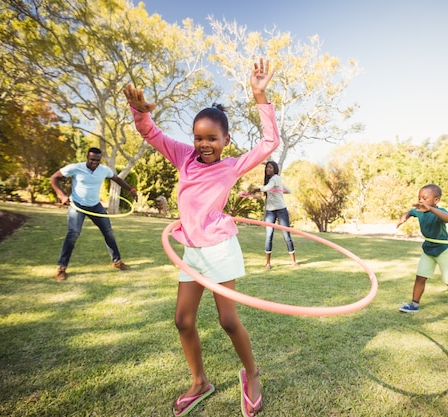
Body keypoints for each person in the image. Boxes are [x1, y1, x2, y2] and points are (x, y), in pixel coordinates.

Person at [123, 57, 277, 416]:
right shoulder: (183, 157)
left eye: (211, 138)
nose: (204, 144)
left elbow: (270, 140)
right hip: (191, 250)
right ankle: (199, 381)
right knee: (182, 320)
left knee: (227, 320)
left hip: (220, 248)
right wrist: (140, 111)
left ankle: (251, 374)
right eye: (198, 137)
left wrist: (259, 95)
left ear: (225, 140)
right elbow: (151, 133)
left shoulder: (232, 165)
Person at [50, 147, 137, 281]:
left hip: (95, 205)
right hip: (77, 205)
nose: (94, 163)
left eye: (97, 160)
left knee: (108, 232)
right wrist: (62, 195)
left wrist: (131, 189)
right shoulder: (75, 168)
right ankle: (61, 268)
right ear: (87, 158)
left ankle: (117, 262)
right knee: (73, 234)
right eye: (92, 160)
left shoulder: (104, 170)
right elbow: (54, 178)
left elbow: (117, 179)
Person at [396, 184, 448, 324]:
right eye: (419, 198)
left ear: (436, 200)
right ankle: (414, 305)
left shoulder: (439, 211)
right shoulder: (419, 211)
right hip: (428, 248)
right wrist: (404, 218)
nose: (421, 200)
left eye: (425, 198)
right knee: (420, 277)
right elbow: (410, 212)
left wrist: (431, 209)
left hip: (444, 250)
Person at [250, 161, 298, 269]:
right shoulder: (270, 181)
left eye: (270, 167)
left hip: (281, 210)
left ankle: (294, 262)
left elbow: (268, 188)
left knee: (287, 236)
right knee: (268, 236)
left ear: (275, 169)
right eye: (267, 168)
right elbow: (288, 190)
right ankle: (268, 263)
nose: (268, 169)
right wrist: (277, 191)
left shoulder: (276, 178)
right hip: (270, 211)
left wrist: (257, 189)